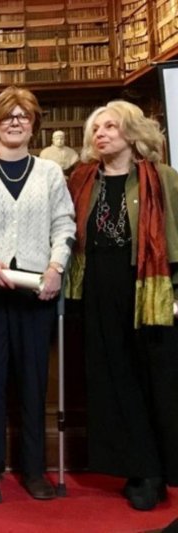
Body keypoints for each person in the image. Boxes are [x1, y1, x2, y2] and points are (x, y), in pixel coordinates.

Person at [0, 86, 75, 500]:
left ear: (34, 125)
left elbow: (64, 225)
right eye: (8, 115)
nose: (16, 121)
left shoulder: (49, 173)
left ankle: (34, 467)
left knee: (32, 378)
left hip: (37, 291)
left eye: (24, 116)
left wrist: (57, 266)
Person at [67, 100, 178, 511]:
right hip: (97, 289)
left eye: (111, 126)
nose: (101, 134)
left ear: (131, 133)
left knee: (153, 379)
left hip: (147, 290)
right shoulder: (82, 180)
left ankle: (155, 472)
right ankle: (137, 467)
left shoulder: (161, 178)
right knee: (114, 380)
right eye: (96, 128)